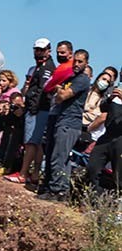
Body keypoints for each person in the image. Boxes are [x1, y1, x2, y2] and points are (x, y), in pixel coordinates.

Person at [38, 49, 91, 200]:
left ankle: (56, 190)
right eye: (75, 61)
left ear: (86, 63)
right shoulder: (71, 78)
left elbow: (61, 96)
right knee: (59, 157)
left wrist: (59, 89)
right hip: (62, 119)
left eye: (80, 61)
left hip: (70, 122)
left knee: (59, 157)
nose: (76, 64)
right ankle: (59, 190)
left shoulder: (82, 80)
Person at [7, 39, 57, 186]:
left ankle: (23, 173)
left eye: (42, 50)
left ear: (48, 50)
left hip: (38, 109)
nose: (39, 52)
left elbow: (42, 89)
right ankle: (34, 174)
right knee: (37, 143)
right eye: (37, 49)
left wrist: (31, 107)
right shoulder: (39, 67)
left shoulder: (46, 68)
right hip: (37, 108)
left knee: (31, 142)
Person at [85, 82, 122, 192]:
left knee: (119, 175)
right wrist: (110, 99)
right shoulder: (115, 91)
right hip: (107, 136)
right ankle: (95, 198)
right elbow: (103, 108)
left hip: (120, 139)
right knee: (92, 167)